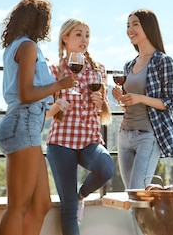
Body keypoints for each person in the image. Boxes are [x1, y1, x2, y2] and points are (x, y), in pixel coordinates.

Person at [0, 0, 75, 235]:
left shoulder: (20, 46)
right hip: (22, 123)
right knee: (18, 206)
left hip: (29, 124)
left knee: (41, 204)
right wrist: (59, 84)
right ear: (40, 21)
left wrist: (54, 95)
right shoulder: (28, 46)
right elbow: (26, 93)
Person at [46, 18, 115, 234]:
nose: (84, 39)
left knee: (106, 168)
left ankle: (80, 196)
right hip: (61, 142)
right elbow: (45, 112)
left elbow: (104, 112)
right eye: (78, 34)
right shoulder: (54, 69)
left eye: (87, 35)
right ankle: (73, 202)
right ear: (65, 38)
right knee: (68, 210)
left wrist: (101, 103)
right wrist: (58, 105)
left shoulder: (98, 69)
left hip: (89, 140)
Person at [111, 9, 173, 189]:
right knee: (132, 195)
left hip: (148, 136)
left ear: (148, 27)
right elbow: (128, 104)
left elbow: (171, 102)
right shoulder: (129, 65)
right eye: (128, 25)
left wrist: (140, 98)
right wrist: (121, 97)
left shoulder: (163, 61)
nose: (130, 29)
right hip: (125, 135)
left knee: (137, 192)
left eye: (135, 24)